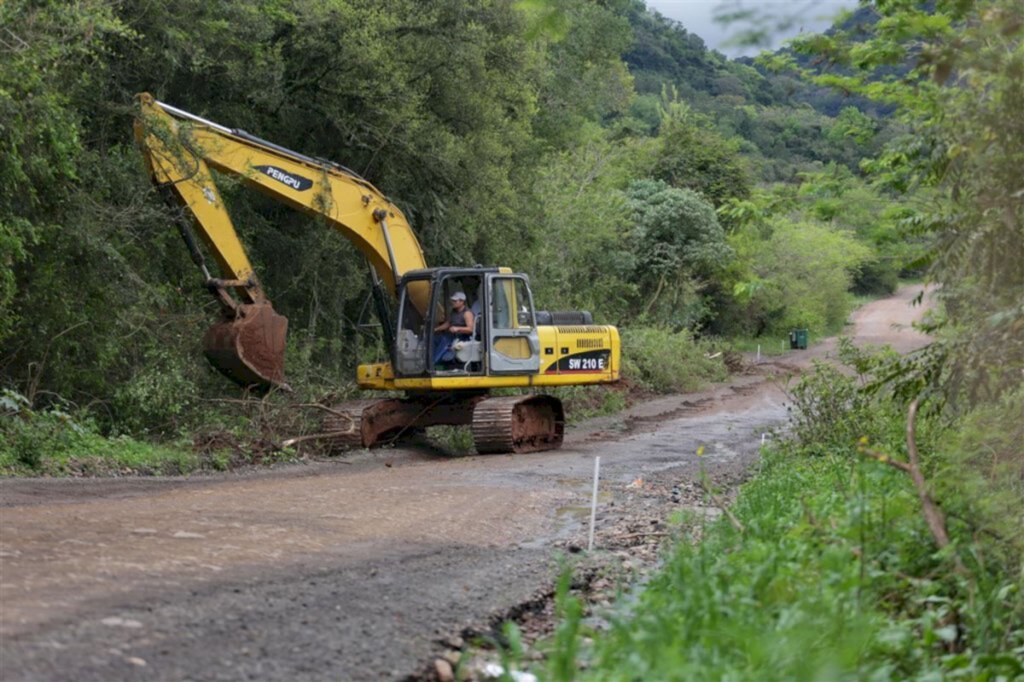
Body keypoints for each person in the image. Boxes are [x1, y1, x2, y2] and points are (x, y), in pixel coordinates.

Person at [433, 292, 475, 366]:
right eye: (453, 300)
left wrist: (457, 328)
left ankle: (433, 363)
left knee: (445, 340)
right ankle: (428, 360)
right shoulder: (454, 311)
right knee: (434, 338)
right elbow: (448, 323)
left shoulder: (467, 313)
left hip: (463, 337)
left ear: (462, 302)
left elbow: (471, 329)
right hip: (452, 336)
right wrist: (436, 329)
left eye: (455, 301)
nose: (453, 302)